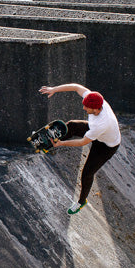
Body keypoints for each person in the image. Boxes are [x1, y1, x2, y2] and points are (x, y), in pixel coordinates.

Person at [38, 83, 122, 214]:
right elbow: (76, 87)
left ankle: (81, 202)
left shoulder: (101, 124)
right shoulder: (94, 98)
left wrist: (61, 144)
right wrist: (54, 89)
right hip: (97, 133)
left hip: (106, 146)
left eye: (86, 107)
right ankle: (47, 143)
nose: (83, 108)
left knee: (87, 173)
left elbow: (83, 142)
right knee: (71, 125)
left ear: (96, 110)